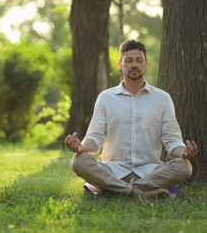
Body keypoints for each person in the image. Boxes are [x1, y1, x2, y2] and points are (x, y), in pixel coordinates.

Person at [65, 39, 198, 197]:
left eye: (139, 60)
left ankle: (119, 189)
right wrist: (82, 147)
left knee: (184, 166)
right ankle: (137, 192)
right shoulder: (106, 98)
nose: (134, 64)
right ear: (120, 64)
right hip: (113, 170)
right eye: (129, 60)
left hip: (150, 172)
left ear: (146, 63)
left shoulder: (162, 98)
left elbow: (172, 140)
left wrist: (183, 152)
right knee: (78, 161)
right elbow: (95, 138)